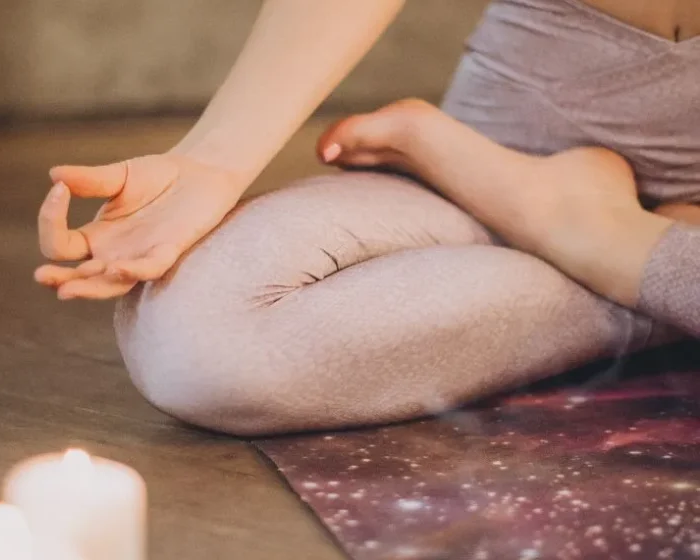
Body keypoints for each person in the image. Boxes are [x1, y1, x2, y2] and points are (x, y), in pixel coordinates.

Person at [34, 0, 699, 435]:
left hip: (545, 196)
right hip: (500, 152)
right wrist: (216, 159)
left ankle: (606, 241)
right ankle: (620, 248)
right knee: (189, 341)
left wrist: (638, 250)